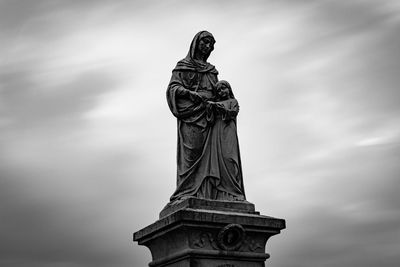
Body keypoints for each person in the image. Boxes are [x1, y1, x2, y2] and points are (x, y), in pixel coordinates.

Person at [166, 31, 245, 203]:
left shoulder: (211, 71)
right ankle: (187, 193)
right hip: (191, 116)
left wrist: (222, 105)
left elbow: (219, 94)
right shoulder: (183, 66)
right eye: (205, 42)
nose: (207, 47)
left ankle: (211, 192)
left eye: (211, 44)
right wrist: (191, 94)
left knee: (215, 156)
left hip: (210, 117)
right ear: (196, 43)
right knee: (192, 153)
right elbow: (173, 89)